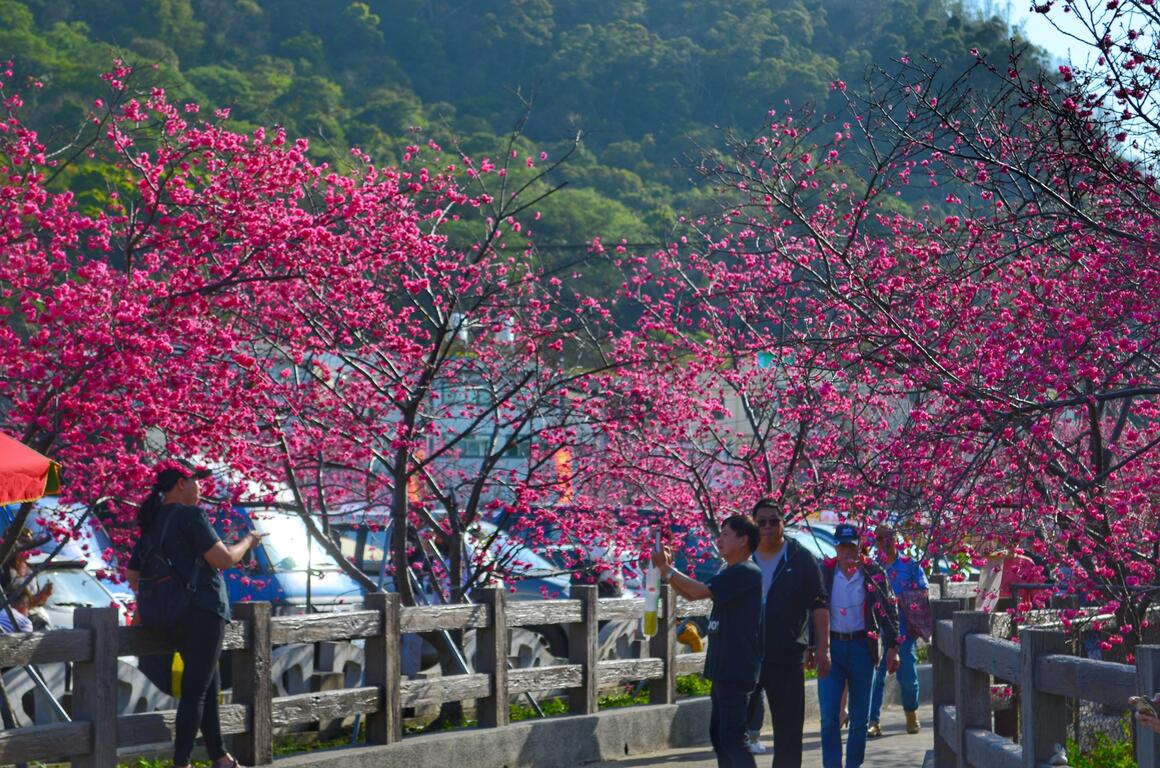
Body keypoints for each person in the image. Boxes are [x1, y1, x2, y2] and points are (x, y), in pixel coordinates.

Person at [126, 462, 263, 768]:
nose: (200, 487)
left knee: (207, 684)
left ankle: (220, 757)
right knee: (196, 692)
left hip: (168, 617)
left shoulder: (153, 522)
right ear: (180, 484)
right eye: (196, 481)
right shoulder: (190, 515)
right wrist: (248, 541)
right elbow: (224, 559)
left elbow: (132, 574)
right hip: (202, 612)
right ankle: (182, 762)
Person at [653, 515, 762, 768]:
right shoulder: (731, 571)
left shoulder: (746, 571)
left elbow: (698, 590)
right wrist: (667, 570)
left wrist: (666, 569)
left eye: (725, 534)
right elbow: (691, 595)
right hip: (724, 667)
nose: (719, 539)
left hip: (736, 667)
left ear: (743, 540)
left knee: (733, 739)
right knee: (720, 736)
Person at [751, 497, 831, 768]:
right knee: (733, 730)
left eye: (774, 521)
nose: (768, 527)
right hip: (747, 656)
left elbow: (819, 604)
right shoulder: (743, 556)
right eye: (761, 522)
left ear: (783, 524)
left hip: (786, 656)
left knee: (788, 732)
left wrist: (822, 648)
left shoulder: (800, 558)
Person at [818, 523, 900, 768]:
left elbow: (889, 609)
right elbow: (812, 610)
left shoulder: (872, 572)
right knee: (829, 715)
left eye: (851, 547)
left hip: (863, 647)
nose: (847, 552)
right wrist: (813, 647)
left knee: (860, 717)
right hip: (833, 647)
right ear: (835, 547)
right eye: (842, 546)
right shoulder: (825, 572)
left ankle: (853, 764)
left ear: (859, 547)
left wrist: (893, 647)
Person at [868, 523, 928, 737]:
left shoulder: (910, 566)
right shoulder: (871, 567)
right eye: (880, 538)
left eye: (889, 537)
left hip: (903, 630)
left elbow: (923, 591)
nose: (885, 542)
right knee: (876, 677)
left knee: (907, 676)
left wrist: (902, 599)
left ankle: (911, 713)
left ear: (896, 539)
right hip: (878, 630)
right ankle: (873, 720)